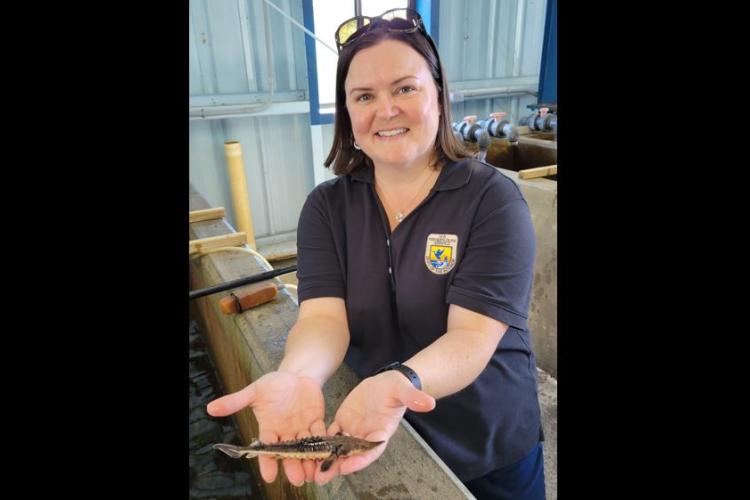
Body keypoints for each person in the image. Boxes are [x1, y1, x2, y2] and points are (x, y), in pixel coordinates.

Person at [207, 8, 545, 499]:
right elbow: (324, 319)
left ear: (439, 94)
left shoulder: (491, 200)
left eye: (405, 88)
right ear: (347, 112)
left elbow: (472, 336)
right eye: (364, 96)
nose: (385, 110)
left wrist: (398, 381)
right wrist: (297, 375)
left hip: (489, 445)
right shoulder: (327, 206)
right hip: (371, 434)